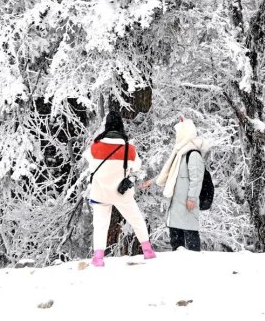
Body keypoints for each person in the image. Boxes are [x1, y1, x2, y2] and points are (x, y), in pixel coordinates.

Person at [83, 109, 156, 267]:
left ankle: (98, 258)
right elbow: (137, 166)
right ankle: (148, 251)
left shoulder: (95, 146)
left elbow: (88, 160)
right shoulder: (129, 148)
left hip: (100, 192)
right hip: (121, 193)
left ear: (107, 126)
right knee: (136, 220)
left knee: (101, 225)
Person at [153, 115, 210, 252]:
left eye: (179, 133)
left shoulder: (193, 154)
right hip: (178, 203)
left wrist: (192, 198)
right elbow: (172, 175)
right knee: (176, 237)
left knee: (190, 235)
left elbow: (197, 179)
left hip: (187, 203)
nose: (177, 137)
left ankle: (194, 263)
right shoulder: (181, 154)